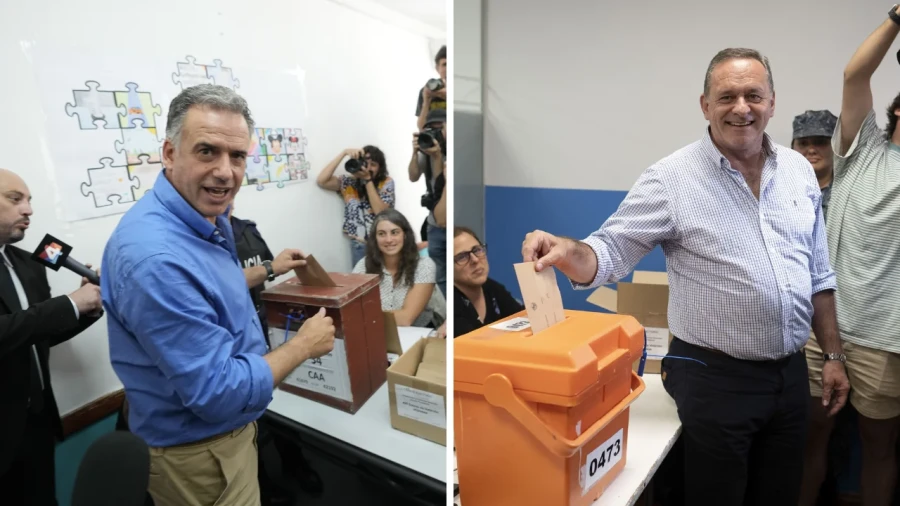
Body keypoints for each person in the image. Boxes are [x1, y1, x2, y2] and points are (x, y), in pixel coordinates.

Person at [521, 48, 849, 506]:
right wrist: (568, 250)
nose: (741, 107)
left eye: (753, 95)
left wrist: (832, 353)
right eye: (727, 96)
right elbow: (610, 250)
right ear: (705, 105)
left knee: (778, 494)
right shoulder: (672, 179)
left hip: (790, 375)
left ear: (772, 102)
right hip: (714, 377)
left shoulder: (797, 172)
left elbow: (818, 273)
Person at [101, 84, 336, 506]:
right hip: (200, 454)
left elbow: (210, 287)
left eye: (238, 156)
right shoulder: (155, 258)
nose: (226, 171)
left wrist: (267, 269)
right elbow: (216, 393)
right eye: (207, 151)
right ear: (170, 153)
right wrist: (302, 346)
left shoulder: (202, 215)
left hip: (226, 436)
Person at [801, 7, 900, 505]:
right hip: (827, 330)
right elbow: (855, 73)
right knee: (812, 436)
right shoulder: (862, 150)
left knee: (878, 448)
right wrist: (898, 17)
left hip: (888, 340)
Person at [0, 168, 104, 506]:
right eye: (15, 199)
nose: (28, 209)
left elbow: (37, 334)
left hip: (38, 422)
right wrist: (69, 304)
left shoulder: (30, 263)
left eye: (30, 200)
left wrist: (86, 306)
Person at [228, 204, 324, 502]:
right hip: (231, 343)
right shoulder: (198, 242)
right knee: (245, 421)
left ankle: (295, 463)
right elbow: (220, 285)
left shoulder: (248, 231)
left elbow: (268, 276)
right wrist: (268, 268)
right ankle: (262, 484)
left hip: (262, 329)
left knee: (281, 405)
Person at [353, 209, 437, 327]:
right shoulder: (363, 265)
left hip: (418, 332)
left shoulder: (424, 266)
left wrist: (362, 316)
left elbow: (406, 319)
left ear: (405, 235)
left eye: (395, 232)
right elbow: (352, 308)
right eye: (381, 234)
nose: (389, 239)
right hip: (377, 331)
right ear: (375, 238)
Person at [316, 146, 395, 267]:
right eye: (365, 163)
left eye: (373, 164)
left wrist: (367, 180)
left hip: (385, 241)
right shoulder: (349, 182)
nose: (367, 168)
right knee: (363, 282)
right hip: (359, 243)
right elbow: (322, 181)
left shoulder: (386, 182)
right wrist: (344, 153)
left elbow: (380, 212)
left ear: (380, 167)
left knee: (387, 280)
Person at [453, 226, 523, 338]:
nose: (475, 260)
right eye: (462, 257)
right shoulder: (452, 305)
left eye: (477, 250)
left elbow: (523, 318)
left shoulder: (493, 288)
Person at [408, 109, 447, 297]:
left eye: (439, 129)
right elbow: (413, 176)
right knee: (438, 275)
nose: (435, 135)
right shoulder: (426, 149)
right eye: (430, 130)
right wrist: (415, 152)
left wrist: (438, 155)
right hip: (434, 223)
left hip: (451, 223)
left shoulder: (452, 152)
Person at [791, 110, 837, 221]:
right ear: (792, 148)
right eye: (803, 143)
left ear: (836, 147)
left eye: (820, 142)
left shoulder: (848, 192)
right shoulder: (781, 190)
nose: (811, 150)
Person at [416, 45, 447, 130]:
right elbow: (421, 127)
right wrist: (426, 101)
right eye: (444, 64)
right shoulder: (427, 91)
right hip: (434, 139)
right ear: (437, 68)